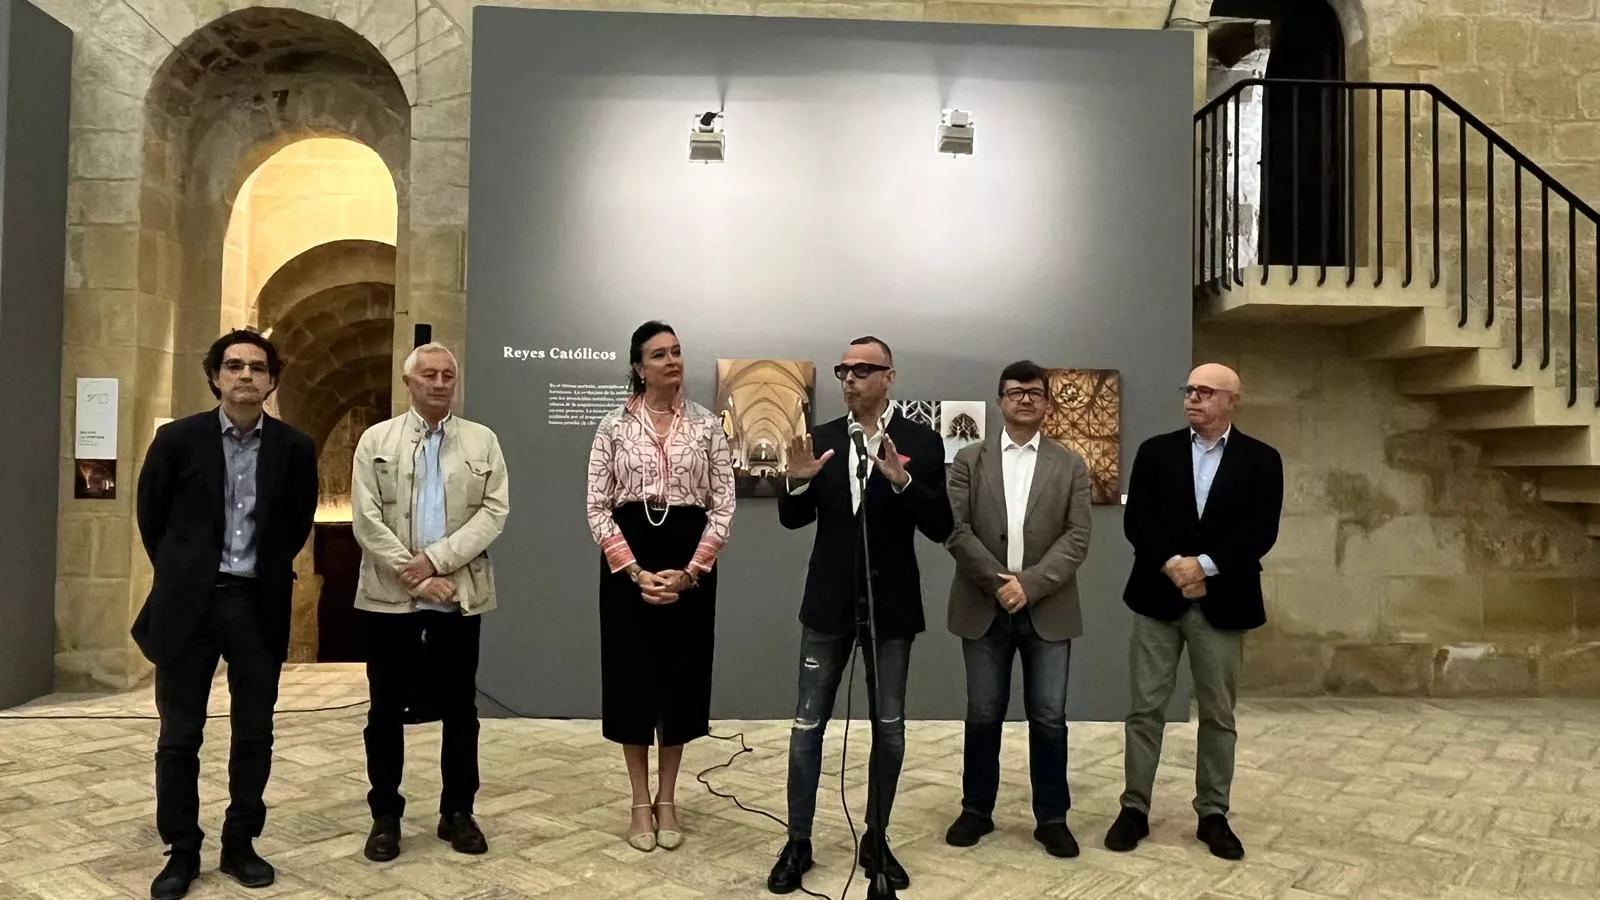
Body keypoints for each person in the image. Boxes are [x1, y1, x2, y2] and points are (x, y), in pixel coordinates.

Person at [134, 330, 318, 900]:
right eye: (234, 366)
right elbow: (151, 517)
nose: (245, 376)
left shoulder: (294, 447)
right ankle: (181, 849)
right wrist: (184, 572)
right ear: (215, 377)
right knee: (179, 734)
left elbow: (296, 521)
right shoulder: (177, 440)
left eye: (257, 368)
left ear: (271, 381)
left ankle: (240, 843)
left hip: (255, 603)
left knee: (254, 732)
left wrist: (260, 569)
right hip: (189, 603)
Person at [767, 336, 953, 895]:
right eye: (843, 370)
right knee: (807, 727)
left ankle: (876, 838)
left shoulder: (920, 441)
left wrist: (904, 482)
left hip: (891, 604)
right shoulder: (821, 438)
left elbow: (941, 525)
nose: (849, 378)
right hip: (828, 603)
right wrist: (796, 480)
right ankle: (798, 841)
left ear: (889, 376)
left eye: (863, 369)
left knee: (889, 730)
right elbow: (793, 519)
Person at [1104, 363, 1283, 861]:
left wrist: (1203, 566)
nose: (1192, 399)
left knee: (1218, 714)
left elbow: (1261, 531)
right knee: (1145, 709)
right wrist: (1174, 565)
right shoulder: (1155, 451)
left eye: (1205, 392)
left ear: (1232, 401)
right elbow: (1139, 519)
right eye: (1189, 390)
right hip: (1156, 597)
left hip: (1225, 602)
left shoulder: (1262, 459)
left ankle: (1213, 814)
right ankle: (1134, 808)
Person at [350, 342, 510, 862]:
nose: (440, 383)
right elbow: (366, 520)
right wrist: (415, 578)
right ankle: (385, 816)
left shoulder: (483, 441)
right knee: (384, 711)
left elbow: (493, 512)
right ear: (409, 382)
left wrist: (437, 562)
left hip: (458, 596)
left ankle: (457, 812)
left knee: (460, 709)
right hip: (389, 598)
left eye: (447, 375)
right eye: (429, 375)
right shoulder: (376, 440)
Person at [586, 321, 735, 853]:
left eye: (676, 351)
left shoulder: (708, 425)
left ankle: (667, 799)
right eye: (659, 354)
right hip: (629, 563)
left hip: (689, 559)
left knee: (680, 679)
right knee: (631, 680)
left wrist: (691, 572)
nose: (672, 361)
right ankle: (637, 801)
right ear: (638, 367)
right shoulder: (612, 426)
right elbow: (596, 506)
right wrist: (633, 570)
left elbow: (723, 503)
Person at [942, 360, 1093, 858]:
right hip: (982, 605)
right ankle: (976, 810)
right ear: (1000, 401)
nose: (1025, 399)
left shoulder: (1070, 464)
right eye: (1015, 392)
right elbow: (956, 530)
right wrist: (999, 583)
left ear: (1047, 402)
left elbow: (1077, 537)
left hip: (1048, 607)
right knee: (983, 712)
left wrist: (1028, 585)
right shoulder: (968, 460)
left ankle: (1052, 818)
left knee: (1049, 716)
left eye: (1034, 392)